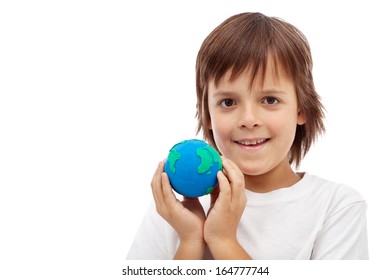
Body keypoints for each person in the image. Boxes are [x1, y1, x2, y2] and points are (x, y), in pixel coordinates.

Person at [127, 12, 368, 260]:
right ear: (207, 114)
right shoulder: (173, 210)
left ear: (301, 108)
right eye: (228, 102)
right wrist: (190, 240)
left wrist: (222, 240)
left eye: (270, 100)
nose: (249, 119)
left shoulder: (337, 206)